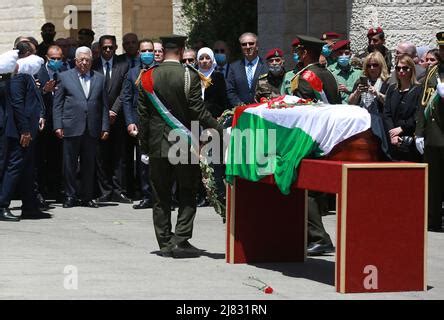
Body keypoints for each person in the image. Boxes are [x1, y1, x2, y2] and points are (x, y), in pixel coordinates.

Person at [137, 34, 223, 258]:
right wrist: (219, 128)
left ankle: (165, 243)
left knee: (160, 195)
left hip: (157, 144)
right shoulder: (189, 76)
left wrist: (144, 145)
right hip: (183, 143)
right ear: (183, 49)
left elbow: (143, 117)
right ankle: (181, 238)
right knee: (187, 191)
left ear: (163, 50)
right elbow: (197, 109)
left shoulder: (148, 76)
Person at [291, 34, 341, 256]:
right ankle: (311, 234)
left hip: (312, 140)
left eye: (300, 51)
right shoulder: (328, 74)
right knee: (317, 190)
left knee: (306, 189)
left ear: (304, 53)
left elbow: (302, 113)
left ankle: (319, 238)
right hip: (330, 137)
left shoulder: (305, 77)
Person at [53, 46, 110, 209]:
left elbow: (104, 105)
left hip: (92, 127)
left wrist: (105, 126)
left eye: (87, 60)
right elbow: (58, 104)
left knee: (89, 164)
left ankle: (87, 196)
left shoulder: (99, 78)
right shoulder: (64, 77)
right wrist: (58, 125)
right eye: (81, 60)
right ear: (75, 61)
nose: (84, 63)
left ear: (92, 61)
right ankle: (70, 195)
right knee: (69, 164)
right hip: (71, 126)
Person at [0, 44, 51, 221]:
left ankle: (30, 206)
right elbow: (17, 104)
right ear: (27, 55)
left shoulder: (26, 75)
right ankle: (2, 205)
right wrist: (25, 130)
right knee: (14, 167)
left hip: (28, 130)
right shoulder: (17, 76)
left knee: (28, 169)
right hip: (20, 131)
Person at [92, 35, 131, 204]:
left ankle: (119, 190)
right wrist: (104, 113)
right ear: (99, 49)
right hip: (99, 118)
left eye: (111, 47)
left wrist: (114, 110)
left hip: (118, 118)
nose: (108, 50)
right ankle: (104, 191)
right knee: (101, 156)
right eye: (104, 47)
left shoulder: (123, 65)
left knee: (119, 156)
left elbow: (125, 91)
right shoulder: (93, 65)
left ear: (116, 48)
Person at [121, 38, 156, 209]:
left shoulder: (161, 71)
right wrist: (129, 122)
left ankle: (162, 197)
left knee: (161, 161)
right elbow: (126, 99)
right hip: (140, 123)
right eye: (144, 51)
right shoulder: (133, 73)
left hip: (159, 123)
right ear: (139, 53)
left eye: (150, 50)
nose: (147, 54)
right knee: (143, 162)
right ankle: (147, 195)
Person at [415, 31, 444, 232]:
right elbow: (423, 103)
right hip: (434, 134)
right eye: (441, 48)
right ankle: (433, 220)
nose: (442, 52)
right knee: (433, 182)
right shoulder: (434, 72)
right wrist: (419, 132)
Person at [35, 45, 67, 201]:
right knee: (41, 158)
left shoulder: (64, 73)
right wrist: (44, 91)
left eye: (58, 59)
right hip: (43, 123)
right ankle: (40, 191)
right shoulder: (38, 73)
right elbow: (33, 97)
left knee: (57, 158)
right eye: (52, 59)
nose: (56, 61)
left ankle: (56, 190)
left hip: (59, 123)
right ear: (47, 58)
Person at [383, 55, 421, 162]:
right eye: (398, 68)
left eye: (405, 68)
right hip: (393, 139)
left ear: (411, 70)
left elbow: (418, 115)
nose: (401, 71)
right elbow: (387, 113)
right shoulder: (392, 89)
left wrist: (402, 128)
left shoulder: (418, 89)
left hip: (410, 139)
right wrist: (392, 133)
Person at [226, 32, 268, 107]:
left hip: (262, 110)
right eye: (244, 44)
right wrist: (241, 106)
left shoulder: (266, 66)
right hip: (241, 111)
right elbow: (230, 91)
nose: (248, 47)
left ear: (257, 46)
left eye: (251, 43)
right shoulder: (233, 67)